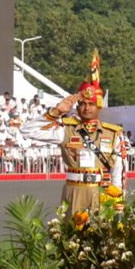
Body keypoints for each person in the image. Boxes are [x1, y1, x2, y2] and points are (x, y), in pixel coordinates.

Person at [40, 55, 124, 218]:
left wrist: (117, 197)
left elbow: (118, 169)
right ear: (77, 107)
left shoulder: (112, 134)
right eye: (82, 104)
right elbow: (28, 131)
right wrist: (56, 112)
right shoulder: (66, 129)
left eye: (91, 104)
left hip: (101, 191)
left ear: (99, 107)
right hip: (74, 190)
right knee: (72, 236)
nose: (86, 108)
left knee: (101, 237)